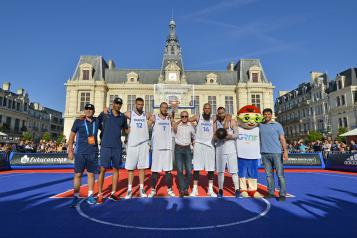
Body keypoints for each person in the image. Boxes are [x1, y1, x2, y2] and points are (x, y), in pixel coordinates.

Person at [97, 97, 129, 204]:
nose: (118, 105)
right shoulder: (104, 114)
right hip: (105, 146)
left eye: (120, 104)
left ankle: (113, 193)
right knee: (102, 170)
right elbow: (95, 124)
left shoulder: (123, 117)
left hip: (117, 147)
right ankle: (100, 194)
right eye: (117, 103)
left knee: (116, 170)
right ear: (113, 104)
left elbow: (126, 131)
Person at [67, 103, 99, 207]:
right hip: (80, 153)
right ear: (84, 111)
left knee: (91, 175)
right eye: (87, 109)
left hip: (92, 152)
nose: (89, 110)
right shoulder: (78, 121)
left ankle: (90, 195)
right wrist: (70, 150)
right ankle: (76, 197)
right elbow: (71, 136)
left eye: (91, 109)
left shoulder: (97, 121)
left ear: (94, 111)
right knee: (78, 174)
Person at [124, 97, 151, 199]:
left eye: (142, 105)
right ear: (135, 104)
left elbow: (155, 118)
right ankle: (130, 189)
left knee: (142, 168)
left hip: (143, 144)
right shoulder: (129, 114)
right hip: (132, 144)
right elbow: (119, 115)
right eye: (139, 104)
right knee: (130, 168)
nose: (140, 106)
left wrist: (149, 123)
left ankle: (141, 188)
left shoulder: (146, 115)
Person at [147, 102, 176, 198]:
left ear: (167, 109)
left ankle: (169, 189)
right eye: (162, 107)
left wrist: (172, 119)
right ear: (160, 108)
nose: (164, 109)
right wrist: (149, 119)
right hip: (157, 148)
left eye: (166, 108)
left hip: (167, 147)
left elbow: (175, 129)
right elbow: (146, 126)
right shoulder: (155, 117)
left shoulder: (169, 118)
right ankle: (153, 189)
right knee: (155, 171)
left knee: (168, 171)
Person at [259, 108, 288, 201]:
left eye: (268, 114)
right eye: (265, 114)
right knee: (268, 175)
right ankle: (271, 193)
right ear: (263, 115)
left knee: (280, 175)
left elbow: (282, 138)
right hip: (264, 153)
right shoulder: (260, 125)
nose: (267, 116)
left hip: (277, 153)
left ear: (271, 115)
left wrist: (285, 151)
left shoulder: (278, 125)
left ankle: (282, 194)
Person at [189, 103, 217, 197]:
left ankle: (210, 189)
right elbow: (186, 120)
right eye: (205, 108)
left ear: (211, 109)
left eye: (209, 108)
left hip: (210, 145)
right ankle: (195, 189)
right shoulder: (198, 117)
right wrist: (192, 136)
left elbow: (225, 116)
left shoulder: (213, 119)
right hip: (199, 145)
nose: (207, 110)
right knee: (196, 168)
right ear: (203, 109)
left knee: (210, 168)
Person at [215, 107, 239, 198]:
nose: (221, 114)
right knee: (220, 171)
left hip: (230, 148)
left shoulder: (232, 121)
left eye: (222, 113)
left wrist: (229, 136)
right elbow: (214, 135)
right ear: (218, 114)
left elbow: (237, 134)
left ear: (225, 113)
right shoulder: (216, 122)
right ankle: (220, 190)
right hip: (220, 149)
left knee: (234, 171)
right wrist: (218, 137)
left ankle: (237, 190)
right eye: (219, 113)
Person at [172, 110, 195, 198]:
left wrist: (194, 146)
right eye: (182, 116)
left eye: (186, 116)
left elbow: (194, 137)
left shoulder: (191, 126)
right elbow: (173, 128)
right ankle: (182, 190)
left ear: (188, 117)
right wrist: (178, 121)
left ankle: (185, 187)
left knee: (189, 171)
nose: (184, 118)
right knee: (180, 171)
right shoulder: (177, 125)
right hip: (178, 149)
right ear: (180, 117)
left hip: (187, 149)